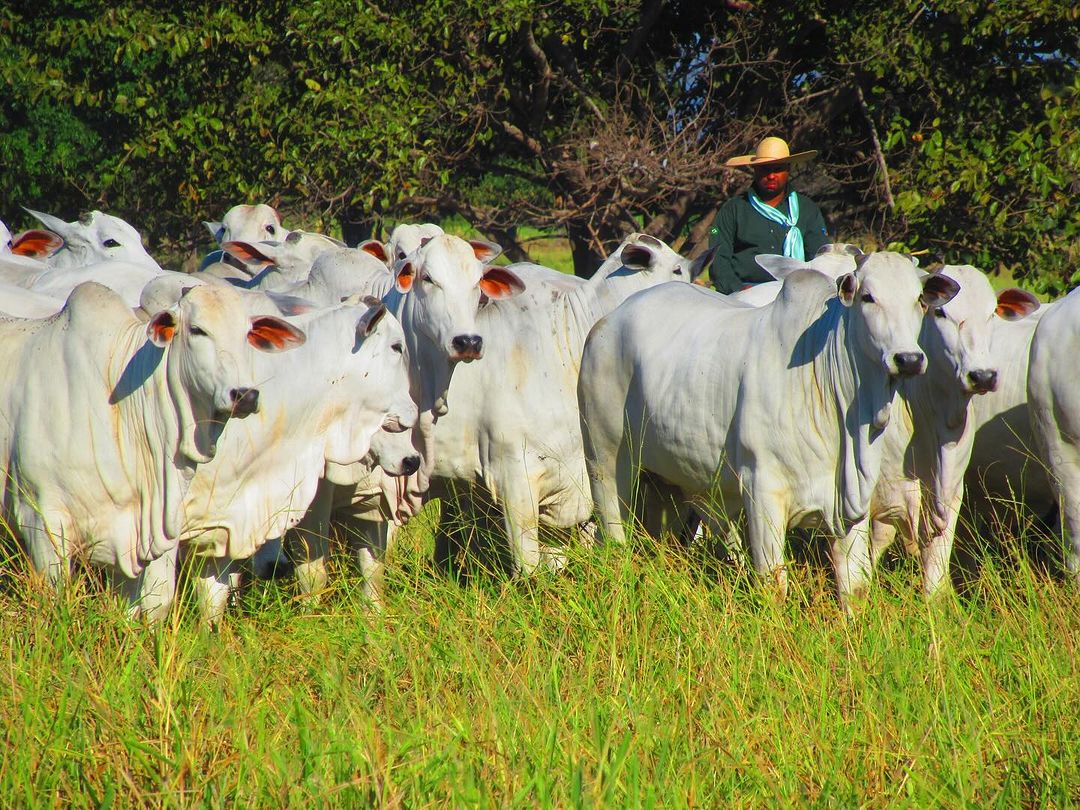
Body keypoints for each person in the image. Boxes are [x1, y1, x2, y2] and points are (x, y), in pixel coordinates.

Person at [708, 136, 830, 294]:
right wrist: (739, 291)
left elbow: (820, 257)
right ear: (755, 170)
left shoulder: (806, 209)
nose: (771, 176)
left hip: (796, 294)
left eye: (778, 169)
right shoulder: (734, 209)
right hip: (744, 296)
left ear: (788, 169)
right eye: (765, 169)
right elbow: (718, 259)